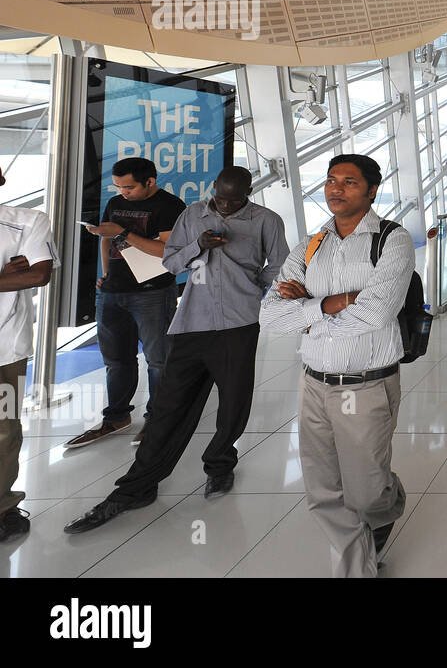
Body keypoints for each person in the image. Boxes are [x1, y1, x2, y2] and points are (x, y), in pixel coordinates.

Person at [63, 167, 288, 534]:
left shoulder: (266, 220)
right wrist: (200, 245)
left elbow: (278, 265)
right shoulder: (193, 214)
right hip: (192, 323)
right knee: (168, 407)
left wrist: (251, 289)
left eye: (235, 200)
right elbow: (169, 262)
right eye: (221, 197)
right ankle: (136, 488)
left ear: (248, 192)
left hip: (238, 323)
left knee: (234, 403)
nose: (226, 205)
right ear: (213, 189)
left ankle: (219, 465)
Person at [259, 154, 413, 578]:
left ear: (371, 190)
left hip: (365, 386)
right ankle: (357, 570)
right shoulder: (311, 244)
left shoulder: (392, 240)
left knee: (365, 495)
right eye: (330, 180)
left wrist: (307, 315)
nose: (335, 189)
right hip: (313, 385)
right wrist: (335, 302)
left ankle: (387, 498)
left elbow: (376, 315)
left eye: (348, 181)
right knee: (324, 491)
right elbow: (269, 317)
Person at [68, 157, 186, 448]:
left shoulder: (170, 206)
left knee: (158, 360)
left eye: (129, 187)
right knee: (116, 360)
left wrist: (122, 233)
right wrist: (106, 274)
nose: (123, 193)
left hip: (153, 292)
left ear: (150, 182)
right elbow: (106, 240)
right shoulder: (114, 202)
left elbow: (169, 252)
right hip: (112, 291)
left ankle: (157, 420)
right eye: (119, 187)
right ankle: (116, 417)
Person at [0, 165, 57, 542]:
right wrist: (5, 276)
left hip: (6, 348)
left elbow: (39, 275)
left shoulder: (28, 221)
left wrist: (13, 275)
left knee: (3, 430)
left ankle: (2, 507)